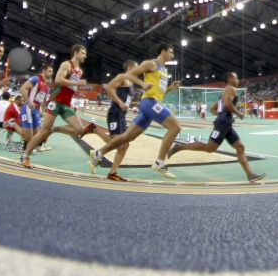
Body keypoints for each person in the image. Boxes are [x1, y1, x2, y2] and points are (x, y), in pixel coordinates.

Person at [89, 43, 182, 178]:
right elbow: (130, 75)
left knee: (128, 137)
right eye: (171, 52)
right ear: (163, 51)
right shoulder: (151, 63)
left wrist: (170, 88)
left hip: (152, 104)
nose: (172, 55)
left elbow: (159, 93)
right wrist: (142, 84)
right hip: (148, 102)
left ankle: (98, 154)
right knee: (175, 127)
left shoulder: (164, 70)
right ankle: (159, 163)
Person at [167, 72, 265, 182]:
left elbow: (213, 109)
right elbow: (227, 105)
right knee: (209, 148)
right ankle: (179, 147)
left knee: (240, 147)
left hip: (225, 123)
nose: (238, 80)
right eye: (236, 78)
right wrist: (238, 114)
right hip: (223, 124)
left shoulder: (224, 92)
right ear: (230, 79)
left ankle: (250, 175)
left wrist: (223, 116)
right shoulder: (231, 89)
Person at [20, 45, 107, 167]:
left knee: (79, 129)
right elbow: (59, 80)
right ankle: (25, 156)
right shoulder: (67, 65)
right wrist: (76, 83)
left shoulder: (80, 71)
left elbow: (69, 86)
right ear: (76, 53)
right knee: (43, 131)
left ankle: (55, 129)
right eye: (82, 53)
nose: (85, 56)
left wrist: (75, 86)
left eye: (85, 54)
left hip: (66, 104)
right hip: (56, 102)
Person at [100, 60, 140, 181]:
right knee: (117, 143)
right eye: (136, 68)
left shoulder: (130, 83)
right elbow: (109, 88)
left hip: (122, 115)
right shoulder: (122, 77)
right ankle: (95, 131)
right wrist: (120, 103)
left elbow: (125, 99)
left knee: (125, 144)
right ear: (129, 67)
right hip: (115, 113)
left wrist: (135, 103)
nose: (138, 71)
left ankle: (113, 172)